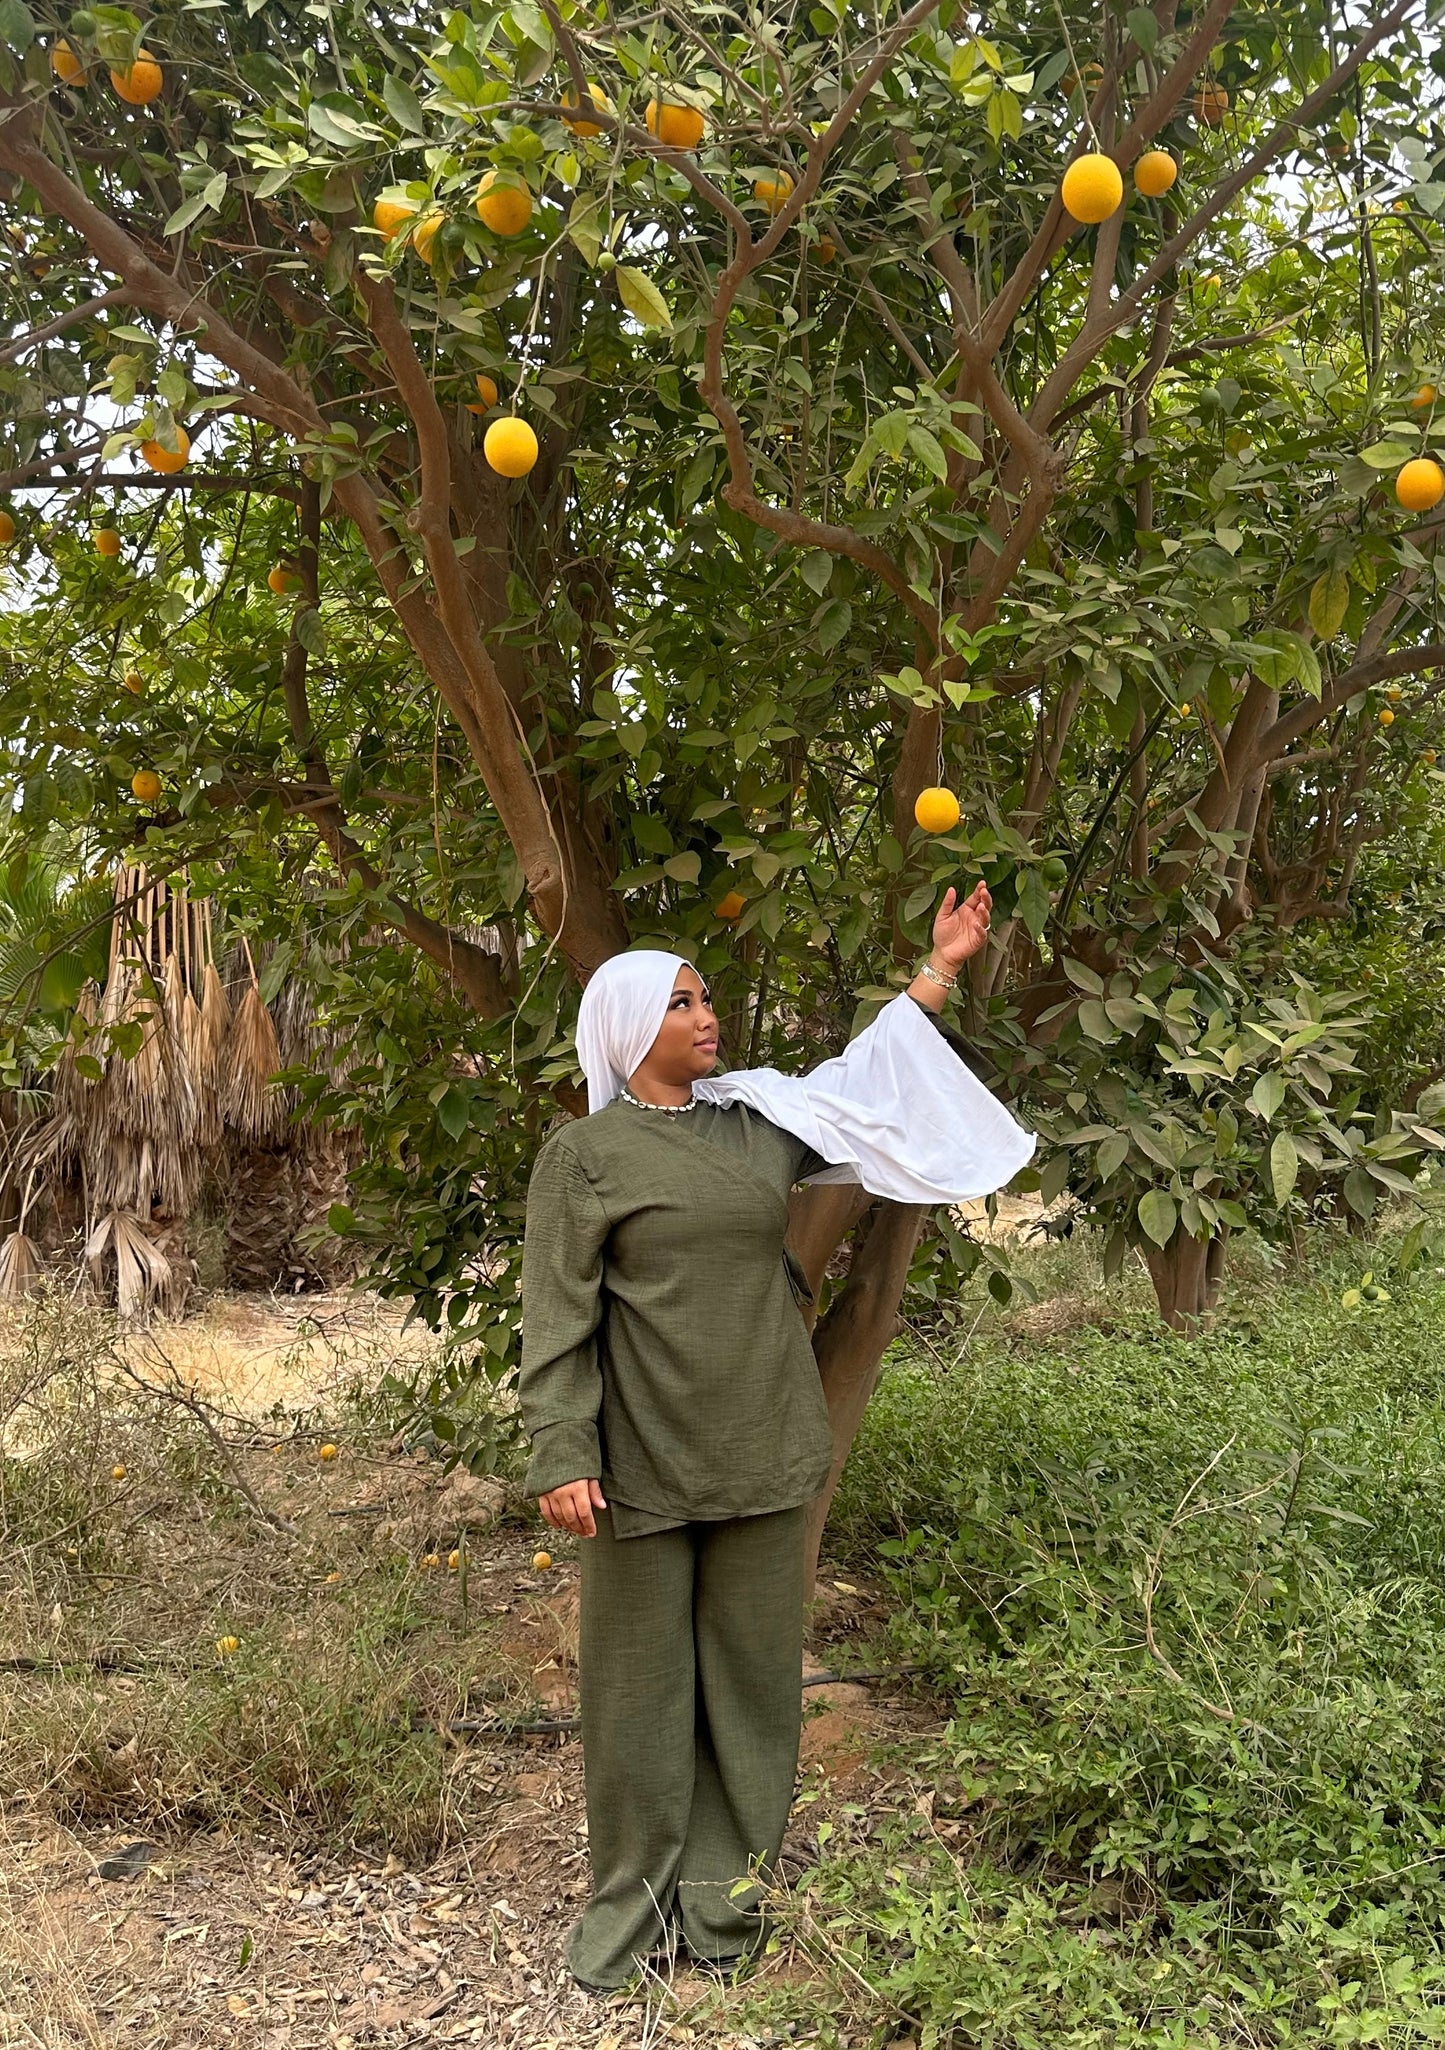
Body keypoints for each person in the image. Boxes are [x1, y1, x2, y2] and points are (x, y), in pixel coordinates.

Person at [517, 883, 1034, 1992]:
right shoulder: (584, 1157)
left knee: (752, 1689)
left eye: (705, 999)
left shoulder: (756, 1125)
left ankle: (722, 1905)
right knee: (634, 1692)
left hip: (763, 1441)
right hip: (638, 1461)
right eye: (680, 1005)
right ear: (625, 1030)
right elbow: (556, 1317)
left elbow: (864, 1081)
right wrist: (561, 1448)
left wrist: (937, 967)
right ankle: (628, 1909)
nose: (707, 1018)